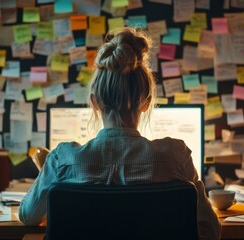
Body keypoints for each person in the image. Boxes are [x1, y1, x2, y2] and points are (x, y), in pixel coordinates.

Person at [19, 27, 221, 240]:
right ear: (147, 102)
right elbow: (211, 231)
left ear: (94, 102)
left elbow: (28, 216)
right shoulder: (176, 157)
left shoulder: (62, 161)